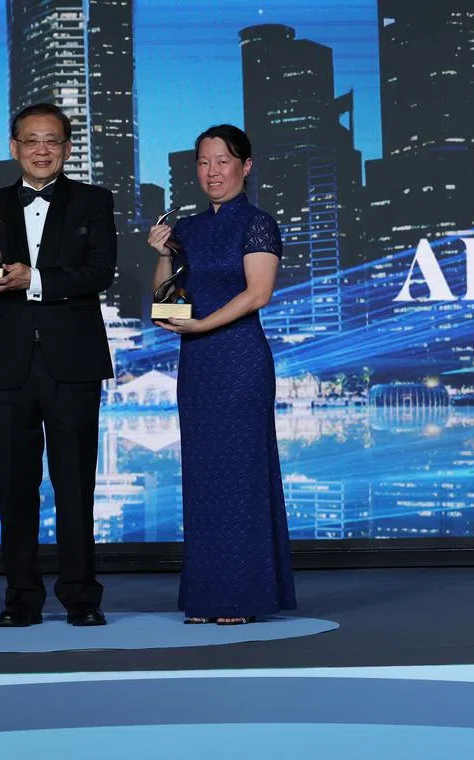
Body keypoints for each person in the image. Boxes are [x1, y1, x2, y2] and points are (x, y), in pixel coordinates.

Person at [0, 103, 116, 627]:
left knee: (75, 486)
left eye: (52, 141)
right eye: (31, 140)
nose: (41, 149)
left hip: (73, 360)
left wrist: (34, 280)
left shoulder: (93, 201)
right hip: (6, 364)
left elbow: (99, 273)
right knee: (13, 488)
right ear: (14, 147)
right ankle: (21, 597)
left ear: (67, 149)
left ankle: (81, 598)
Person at [146, 124, 296, 625]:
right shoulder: (186, 229)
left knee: (240, 476)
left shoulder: (258, 224)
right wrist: (164, 253)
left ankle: (241, 596)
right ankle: (208, 595)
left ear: (246, 166)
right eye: (204, 162)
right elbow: (164, 303)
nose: (213, 171)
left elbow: (259, 293)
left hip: (238, 359)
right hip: (198, 364)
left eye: (223, 161)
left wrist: (204, 324)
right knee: (204, 477)